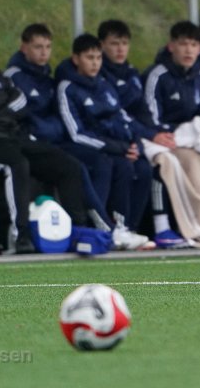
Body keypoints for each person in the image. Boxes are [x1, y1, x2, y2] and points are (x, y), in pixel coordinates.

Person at [0, 22, 90, 254]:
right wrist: (0, 102)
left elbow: (20, 102)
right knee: (17, 164)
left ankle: (78, 232)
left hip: (12, 135)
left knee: (68, 165)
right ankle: (21, 235)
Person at [4, 23, 115, 235]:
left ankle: (101, 223)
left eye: (48, 47)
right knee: (74, 167)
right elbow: (22, 116)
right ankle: (91, 227)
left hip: (54, 141)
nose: (44, 52)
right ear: (24, 47)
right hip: (29, 143)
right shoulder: (13, 77)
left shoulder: (48, 77)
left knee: (104, 161)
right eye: (38, 47)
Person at [57, 33, 154, 249]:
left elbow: (122, 117)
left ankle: (125, 228)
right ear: (76, 59)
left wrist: (135, 144)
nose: (95, 63)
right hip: (81, 147)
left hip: (113, 147)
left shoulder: (104, 84)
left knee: (139, 167)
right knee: (106, 163)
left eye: (98, 58)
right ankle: (99, 228)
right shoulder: (67, 88)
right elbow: (76, 133)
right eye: (89, 58)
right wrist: (117, 148)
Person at [141, 20, 200, 249]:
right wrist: (171, 134)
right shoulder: (157, 75)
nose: (188, 50)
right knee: (164, 162)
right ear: (171, 46)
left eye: (193, 45)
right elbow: (150, 116)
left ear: (199, 49)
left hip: (190, 139)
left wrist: (191, 135)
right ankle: (162, 227)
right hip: (161, 137)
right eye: (183, 44)